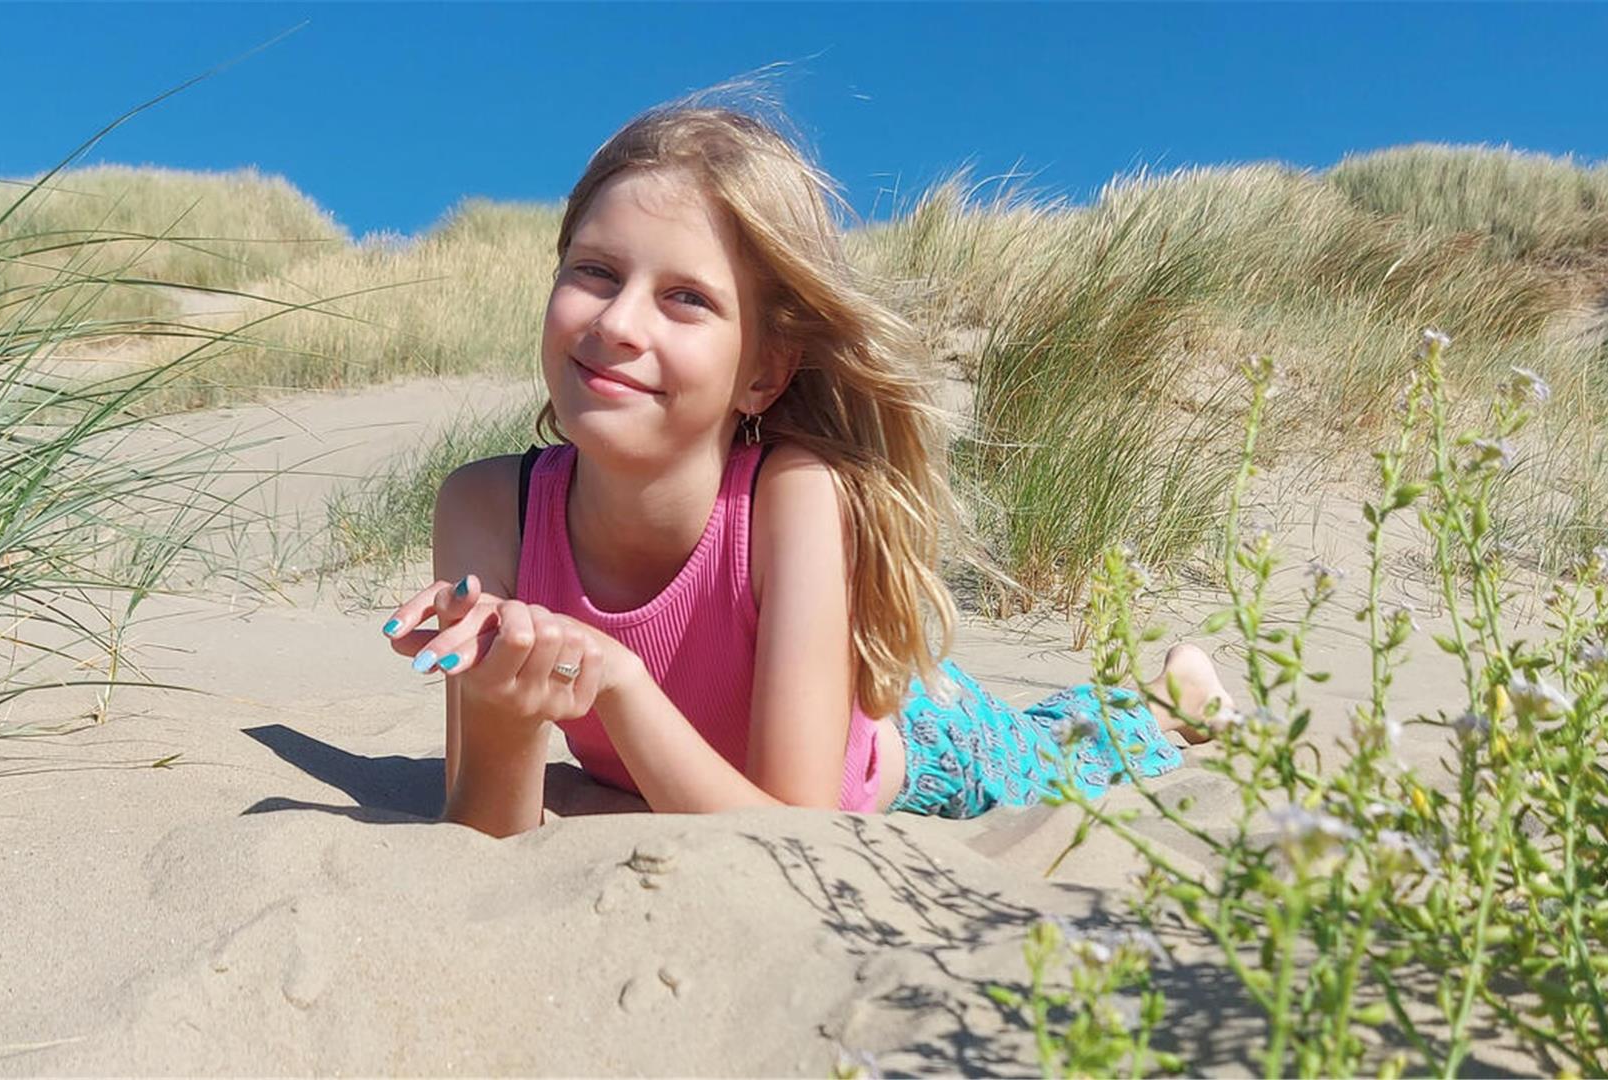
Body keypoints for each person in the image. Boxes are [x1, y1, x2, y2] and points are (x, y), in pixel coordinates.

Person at [380, 88, 1230, 838]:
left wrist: (616, 686)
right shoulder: (488, 508)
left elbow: (796, 829)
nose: (619, 323)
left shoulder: (791, 497)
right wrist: (507, 715)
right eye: (595, 272)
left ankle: (1168, 699)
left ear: (764, 373)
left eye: (687, 298)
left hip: (920, 741)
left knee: (1056, 750)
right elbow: (484, 829)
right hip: (712, 787)